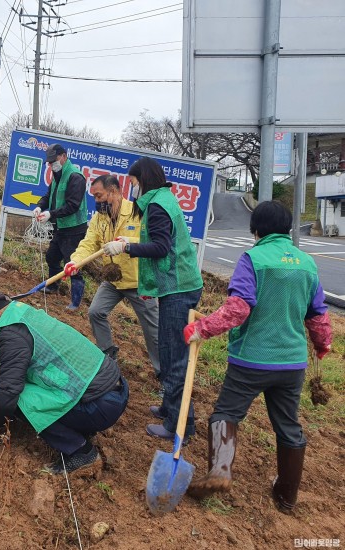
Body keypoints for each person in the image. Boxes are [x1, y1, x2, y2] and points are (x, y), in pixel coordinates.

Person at [183, 201, 332, 513]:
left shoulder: (253, 258)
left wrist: (202, 329)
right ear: (288, 228)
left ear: (256, 230)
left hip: (251, 359)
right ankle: (287, 496)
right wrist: (322, 345)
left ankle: (220, 472)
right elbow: (318, 315)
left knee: (226, 414)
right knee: (288, 425)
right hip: (292, 363)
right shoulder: (307, 263)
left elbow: (238, 308)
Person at [0, 291, 129, 475]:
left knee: (19, 399)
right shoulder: (24, 313)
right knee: (20, 391)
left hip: (101, 404)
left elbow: (7, 391)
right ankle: (81, 427)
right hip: (114, 389)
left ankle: (82, 452)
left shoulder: (10, 332)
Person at [103, 156, 203, 444]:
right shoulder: (163, 200)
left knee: (173, 357)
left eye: (133, 183)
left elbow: (160, 247)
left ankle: (178, 425)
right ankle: (174, 410)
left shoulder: (157, 205)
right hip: (177, 285)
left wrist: (126, 247)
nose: (132, 189)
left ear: (143, 180)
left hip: (179, 289)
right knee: (170, 351)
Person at [64, 174, 161, 378]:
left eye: (99, 196)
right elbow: (88, 243)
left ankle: (164, 375)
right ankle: (108, 357)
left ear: (114, 191)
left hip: (139, 280)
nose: (97, 201)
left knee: (153, 331)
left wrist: (127, 244)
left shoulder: (137, 212)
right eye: (94, 197)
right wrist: (75, 261)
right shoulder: (100, 218)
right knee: (95, 312)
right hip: (113, 280)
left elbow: (152, 240)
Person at [33, 143, 88, 310]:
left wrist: (51, 214)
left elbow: (73, 205)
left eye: (53, 161)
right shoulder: (57, 175)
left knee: (73, 264)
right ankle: (53, 286)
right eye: (49, 163)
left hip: (74, 228)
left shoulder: (75, 177)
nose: (51, 165)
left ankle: (76, 301)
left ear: (63, 156)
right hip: (61, 227)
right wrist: (40, 206)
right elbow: (48, 195)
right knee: (52, 256)